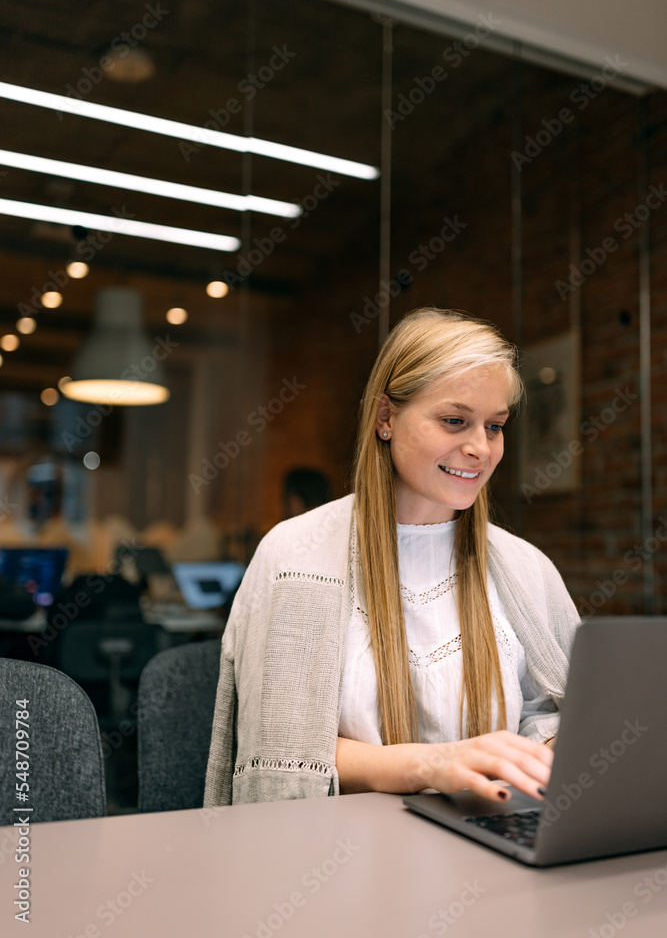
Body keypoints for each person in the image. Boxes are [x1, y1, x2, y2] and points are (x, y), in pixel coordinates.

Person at [204, 308, 580, 808]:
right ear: (386, 418)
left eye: (494, 426)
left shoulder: (525, 567)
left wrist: (549, 750)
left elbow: (550, 713)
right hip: (336, 854)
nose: (480, 448)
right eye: (454, 420)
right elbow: (280, 755)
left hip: (491, 832)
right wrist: (435, 765)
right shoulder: (294, 558)